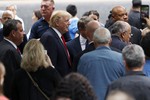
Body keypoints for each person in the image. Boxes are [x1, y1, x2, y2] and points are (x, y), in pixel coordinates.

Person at [77, 27, 125, 100]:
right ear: (110, 40)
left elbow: (80, 82)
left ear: (94, 41)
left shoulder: (84, 59)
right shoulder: (120, 58)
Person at [40, 10, 72, 77]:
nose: (69, 23)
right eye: (66, 21)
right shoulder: (49, 37)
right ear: (57, 23)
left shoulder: (57, 36)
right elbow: (50, 65)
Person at [0, 19, 24, 98]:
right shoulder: (9, 51)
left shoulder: (4, 45)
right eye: (21, 31)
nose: (23, 33)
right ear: (13, 33)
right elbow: (9, 80)